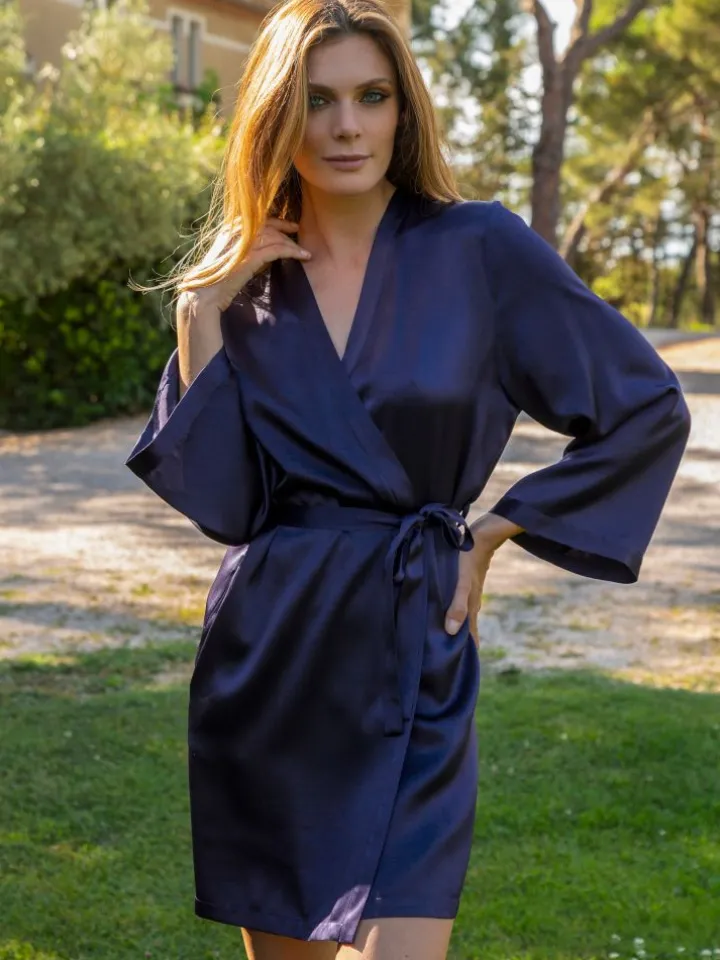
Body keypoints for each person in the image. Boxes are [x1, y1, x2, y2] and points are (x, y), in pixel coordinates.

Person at [125, 0, 692, 956]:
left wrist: (495, 530)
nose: (346, 126)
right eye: (317, 100)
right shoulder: (248, 291)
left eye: (372, 96)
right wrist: (200, 319)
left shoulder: (479, 248)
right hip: (274, 658)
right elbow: (227, 507)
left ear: (403, 109)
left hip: (415, 640)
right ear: (276, 116)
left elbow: (644, 405)